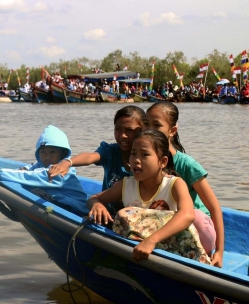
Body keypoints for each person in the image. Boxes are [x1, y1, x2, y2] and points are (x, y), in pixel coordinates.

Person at [87, 129, 206, 263]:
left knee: (125, 215)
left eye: (145, 154)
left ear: (163, 162)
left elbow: (188, 215)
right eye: (133, 154)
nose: (137, 160)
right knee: (122, 217)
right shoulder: (126, 185)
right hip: (140, 247)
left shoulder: (175, 184)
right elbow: (93, 198)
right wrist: (97, 205)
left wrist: (151, 241)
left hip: (174, 248)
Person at [143, 101, 224, 267]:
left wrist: (220, 252)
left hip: (197, 229)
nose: (149, 130)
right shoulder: (144, 161)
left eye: (156, 125)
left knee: (197, 218)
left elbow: (214, 207)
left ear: (172, 131)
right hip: (168, 222)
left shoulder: (187, 164)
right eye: (146, 124)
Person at [0, 125, 88, 216]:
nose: (47, 156)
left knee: (33, 191)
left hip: (75, 210)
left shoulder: (61, 171)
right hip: (61, 201)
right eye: (43, 152)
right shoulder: (44, 165)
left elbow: (32, 176)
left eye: (52, 152)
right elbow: (33, 168)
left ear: (62, 154)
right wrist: (25, 168)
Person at [48, 105, 146, 193]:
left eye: (129, 130)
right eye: (118, 129)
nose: (123, 136)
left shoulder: (149, 157)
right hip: (105, 211)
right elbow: (90, 157)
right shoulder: (110, 152)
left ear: (143, 130)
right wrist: (68, 162)